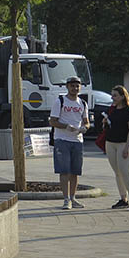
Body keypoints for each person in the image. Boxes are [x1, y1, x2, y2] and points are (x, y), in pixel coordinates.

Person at [49, 76, 90, 209]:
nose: (75, 88)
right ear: (67, 87)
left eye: (77, 86)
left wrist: (85, 128)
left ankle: (73, 198)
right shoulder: (60, 101)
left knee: (75, 171)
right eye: (72, 85)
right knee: (64, 171)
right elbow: (52, 121)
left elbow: (86, 122)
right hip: (62, 140)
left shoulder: (83, 103)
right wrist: (66, 126)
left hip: (77, 141)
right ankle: (66, 199)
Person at [104, 85, 129, 211]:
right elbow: (109, 124)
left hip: (124, 144)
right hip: (110, 143)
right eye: (112, 95)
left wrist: (127, 147)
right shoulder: (112, 109)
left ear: (123, 96)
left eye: (115, 95)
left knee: (125, 171)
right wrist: (105, 122)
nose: (112, 98)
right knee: (117, 173)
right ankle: (123, 199)